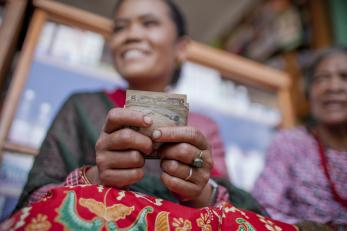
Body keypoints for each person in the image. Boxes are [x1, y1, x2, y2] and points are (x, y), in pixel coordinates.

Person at [14, 0, 264, 214]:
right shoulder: (81, 106)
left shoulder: (203, 127)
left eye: (149, 23)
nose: (131, 35)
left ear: (181, 48)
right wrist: (93, 179)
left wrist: (201, 192)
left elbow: (233, 214)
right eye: (120, 28)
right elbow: (30, 204)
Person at [252, 47, 347, 229]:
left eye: (344, 77)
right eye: (321, 79)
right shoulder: (290, 144)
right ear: (308, 93)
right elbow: (263, 207)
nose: (333, 87)